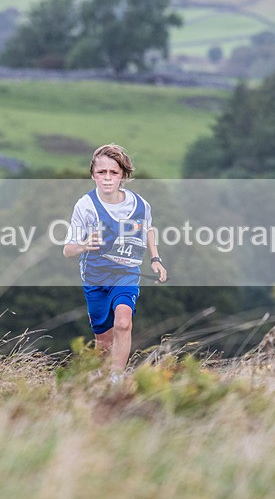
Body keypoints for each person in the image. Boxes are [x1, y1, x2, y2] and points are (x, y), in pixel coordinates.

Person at [63, 144, 167, 375]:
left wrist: (155, 259)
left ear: (123, 176)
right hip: (95, 278)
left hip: (127, 272)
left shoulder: (140, 204)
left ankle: (117, 378)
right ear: (93, 174)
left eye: (114, 173)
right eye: (102, 172)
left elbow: (148, 230)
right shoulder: (85, 206)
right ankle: (101, 381)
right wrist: (84, 245)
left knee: (123, 322)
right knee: (103, 341)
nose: (108, 178)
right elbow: (67, 250)